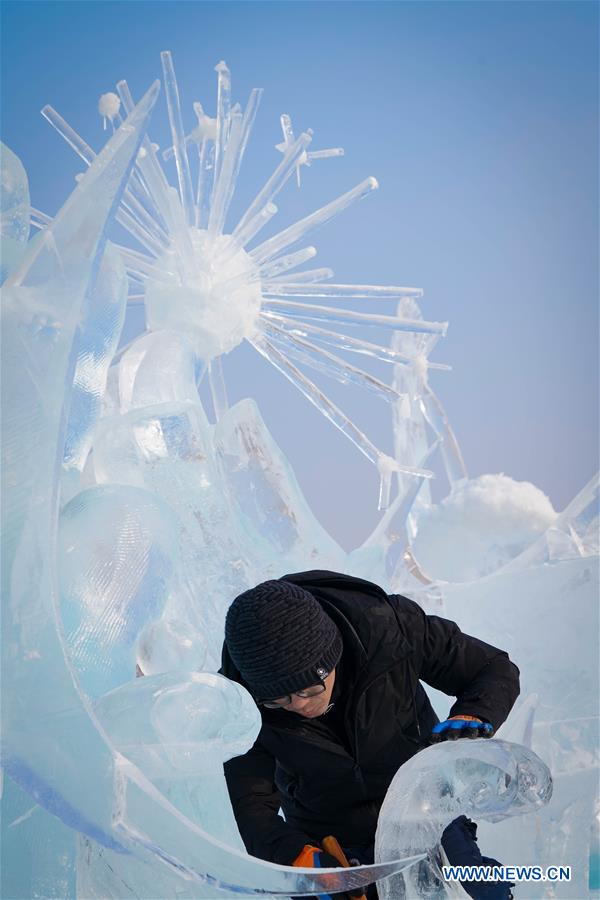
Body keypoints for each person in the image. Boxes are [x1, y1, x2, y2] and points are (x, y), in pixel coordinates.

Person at [220, 570, 519, 899]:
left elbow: (491, 668)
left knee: (472, 890)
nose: (297, 706)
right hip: (330, 839)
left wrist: (473, 714)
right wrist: (300, 858)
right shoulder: (240, 703)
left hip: (423, 812)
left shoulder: (390, 628)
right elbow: (252, 808)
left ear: (331, 657)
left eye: (308, 689)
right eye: (279, 699)